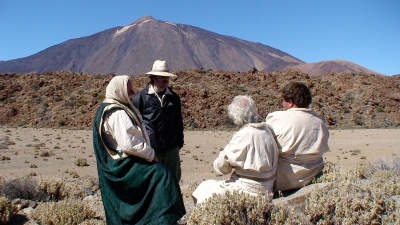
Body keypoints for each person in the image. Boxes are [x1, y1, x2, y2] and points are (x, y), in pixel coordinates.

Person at [92, 75, 185, 225]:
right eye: (128, 90)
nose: (132, 92)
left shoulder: (116, 107)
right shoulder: (117, 112)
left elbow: (178, 122)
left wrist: (178, 142)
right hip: (123, 165)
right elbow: (129, 143)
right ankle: (161, 219)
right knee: (162, 175)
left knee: (166, 174)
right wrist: (150, 154)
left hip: (148, 153)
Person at [192, 95, 279, 204]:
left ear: (235, 116)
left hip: (247, 190)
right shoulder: (267, 129)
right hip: (267, 188)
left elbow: (223, 166)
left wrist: (219, 164)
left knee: (204, 187)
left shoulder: (243, 135)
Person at [265, 81, 330, 192]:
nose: (282, 104)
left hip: (283, 180)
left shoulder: (277, 118)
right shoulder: (320, 122)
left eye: (283, 101)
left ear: (290, 102)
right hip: (312, 176)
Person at [133, 60, 184, 181]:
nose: (165, 80)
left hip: (171, 148)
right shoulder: (141, 98)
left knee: (173, 180)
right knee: (152, 181)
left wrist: (178, 143)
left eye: (167, 77)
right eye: (162, 77)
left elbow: (178, 122)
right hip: (151, 149)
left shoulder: (173, 97)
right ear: (153, 77)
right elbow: (135, 123)